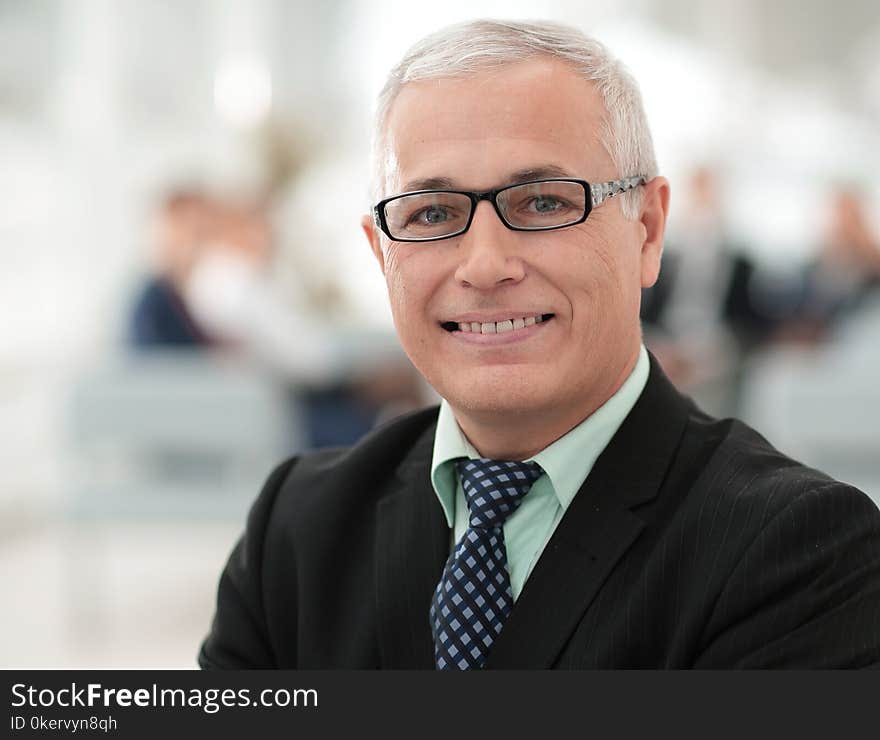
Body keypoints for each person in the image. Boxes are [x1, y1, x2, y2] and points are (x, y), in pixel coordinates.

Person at [199, 19, 880, 669]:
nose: (485, 264)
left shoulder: (800, 551)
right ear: (382, 256)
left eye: (545, 202)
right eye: (433, 214)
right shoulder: (296, 530)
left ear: (646, 229)